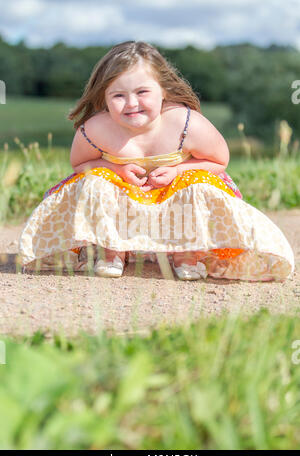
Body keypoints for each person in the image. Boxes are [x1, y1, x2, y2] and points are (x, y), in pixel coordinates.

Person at [18, 41, 294, 282]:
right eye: (118, 95)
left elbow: (220, 160)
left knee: (197, 185)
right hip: (127, 199)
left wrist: (178, 170)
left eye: (142, 92)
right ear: (103, 97)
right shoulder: (95, 129)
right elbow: (80, 165)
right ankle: (112, 248)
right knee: (95, 181)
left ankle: (186, 251)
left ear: (163, 90)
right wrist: (115, 169)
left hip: (175, 198)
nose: (131, 103)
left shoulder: (186, 123)